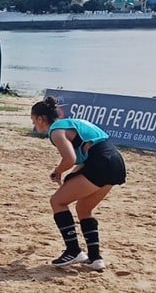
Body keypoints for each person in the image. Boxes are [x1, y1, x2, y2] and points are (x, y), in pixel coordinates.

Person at [31, 96, 126, 271]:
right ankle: (95, 258)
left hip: (100, 163)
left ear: (40, 119)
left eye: (33, 121)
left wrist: (58, 171)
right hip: (115, 163)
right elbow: (86, 155)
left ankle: (73, 250)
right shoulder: (71, 123)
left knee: (57, 201)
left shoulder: (56, 131)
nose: (34, 125)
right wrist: (69, 175)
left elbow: (70, 159)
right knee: (83, 208)